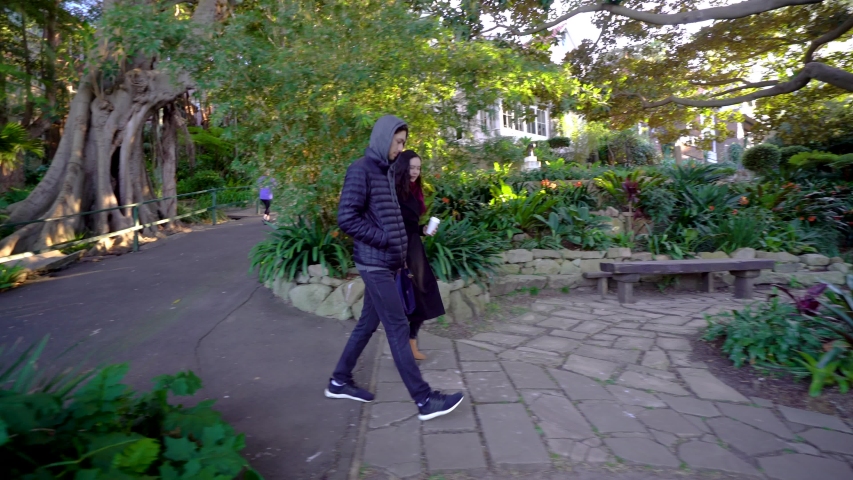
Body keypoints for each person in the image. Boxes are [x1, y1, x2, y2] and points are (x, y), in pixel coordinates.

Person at [324, 115, 464, 421]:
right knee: (398, 327)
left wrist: (398, 250)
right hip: (373, 263)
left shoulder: (387, 171)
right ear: (383, 138)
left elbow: (389, 216)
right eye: (398, 142)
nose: (401, 149)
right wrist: (385, 239)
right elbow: (347, 218)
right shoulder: (360, 170)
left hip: (388, 262)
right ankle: (424, 399)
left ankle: (338, 380)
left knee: (366, 324)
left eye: (403, 142)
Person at [393, 150, 446, 361]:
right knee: (407, 297)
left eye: (418, 168)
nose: (415, 172)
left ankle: (411, 342)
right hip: (401, 251)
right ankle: (404, 345)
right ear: (403, 167)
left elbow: (411, 225)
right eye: (411, 167)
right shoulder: (394, 191)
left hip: (415, 248)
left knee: (425, 296)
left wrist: (424, 230)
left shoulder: (415, 190)